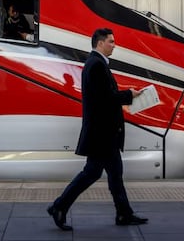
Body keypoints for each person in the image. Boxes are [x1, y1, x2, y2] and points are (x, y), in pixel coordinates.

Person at [47, 28, 148, 231]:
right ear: (100, 43)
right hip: (102, 134)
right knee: (92, 173)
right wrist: (129, 94)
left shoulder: (96, 64)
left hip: (104, 134)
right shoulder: (97, 65)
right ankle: (59, 206)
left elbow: (105, 96)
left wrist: (128, 95)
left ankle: (123, 214)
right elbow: (106, 99)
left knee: (114, 174)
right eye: (111, 41)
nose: (114, 45)